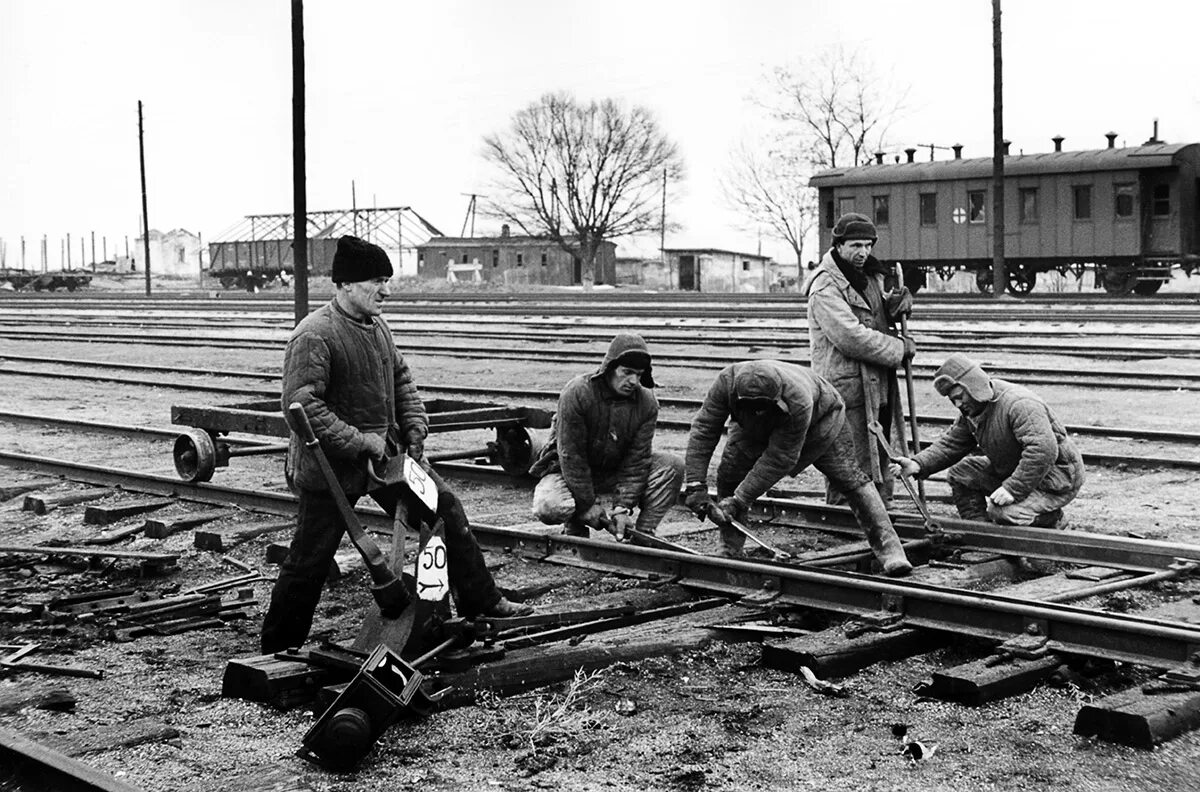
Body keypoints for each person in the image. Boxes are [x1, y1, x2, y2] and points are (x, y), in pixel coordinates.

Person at [261, 236, 530, 654]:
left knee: (444, 507)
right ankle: (278, 648)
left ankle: (483, 602)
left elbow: (401, 380)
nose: (386, 290)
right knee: (311, 559)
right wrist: (359, 442)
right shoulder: (314, 335)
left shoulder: (377, 326)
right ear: (346, 284)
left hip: (385, 459)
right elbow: (301, 406)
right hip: (332, 467)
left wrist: (415, 425)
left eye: (387, 280)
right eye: (377, 281)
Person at [682, 359, 912, 576]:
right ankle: (730, 549)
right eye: (753, 408)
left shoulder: (798, 399)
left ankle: (890, 549)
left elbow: (780, 458)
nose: (759, 412)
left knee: (850, 477)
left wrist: (740, 499)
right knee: (730, 474)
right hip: (750, 428)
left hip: (821, 421)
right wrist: (695, 485)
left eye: (763, 407)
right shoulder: (725, 382)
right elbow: (704, 429)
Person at [892, 354, 1085, 528]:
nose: (958, 404)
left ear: (974, 386)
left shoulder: (1019, 404)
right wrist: (918, 463)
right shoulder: (973, 410)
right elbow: (951, 444)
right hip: (1017, 470)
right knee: (961, 474)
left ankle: (1054, 519)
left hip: (1055, 478)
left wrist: (1012, 489)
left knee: (1003, 512)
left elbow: (1043, 450)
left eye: (960, 397)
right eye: (953, 400)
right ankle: (980, 531)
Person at [806, 212, 916, 505]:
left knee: (881, 448)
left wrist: (894, 306)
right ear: (839, 246)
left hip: (877, 379)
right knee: (847, 454)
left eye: (868, 245)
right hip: (845, 385)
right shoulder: (825, 286)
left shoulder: (869, 275)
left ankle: (881, 512)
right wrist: (898, 349)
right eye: (855, 245)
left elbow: (872, 316)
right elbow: (851, 337)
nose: (863, 252)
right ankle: (847, 516)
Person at [529, 333, 683, 539]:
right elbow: (572, 457)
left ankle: (644, 534)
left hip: (613, 471)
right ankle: (574, 526)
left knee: (672, 466)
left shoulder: (647, 403)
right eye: (627, 372)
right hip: (568, 473)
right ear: (610, 368)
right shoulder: (578, 392)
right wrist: (586, 505)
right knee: (548, 505)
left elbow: (637, 460)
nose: (633, 381)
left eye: (639, 374)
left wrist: (622, 507)